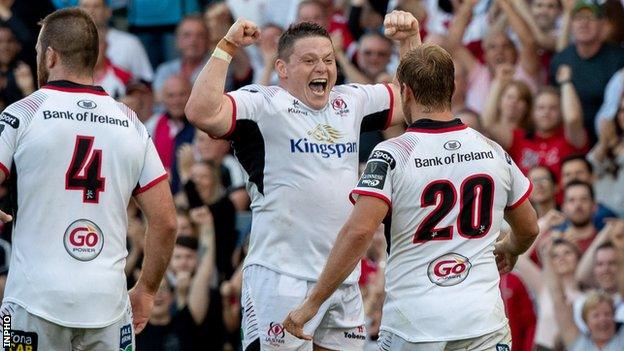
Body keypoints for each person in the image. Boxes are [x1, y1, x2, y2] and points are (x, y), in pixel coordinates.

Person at [185, 10, 420, 350]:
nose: (322, 68)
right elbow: (201, 112)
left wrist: (410, 41)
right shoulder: (263, 104)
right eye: (309, 60)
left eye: (327, 59)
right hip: (281, 278)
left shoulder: (349, 101)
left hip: (342, 279)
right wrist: (227, 45)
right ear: (282, 69)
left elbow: (415, 100)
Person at [283, 43, 540, 350]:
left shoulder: (392, 154)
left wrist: (312, 303)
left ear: (405, 92)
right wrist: (510, 248)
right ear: (452, 87)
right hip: (483, 322)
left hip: (415, 324)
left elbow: (359, 231)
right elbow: (529, 227)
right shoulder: (492, 150)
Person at [0, 8, 177, 350]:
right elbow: (166, 221)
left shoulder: (21, 114)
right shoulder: (131, 122)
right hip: (108, 305)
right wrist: (148, 289)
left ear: (49, 56)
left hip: (29, 303)